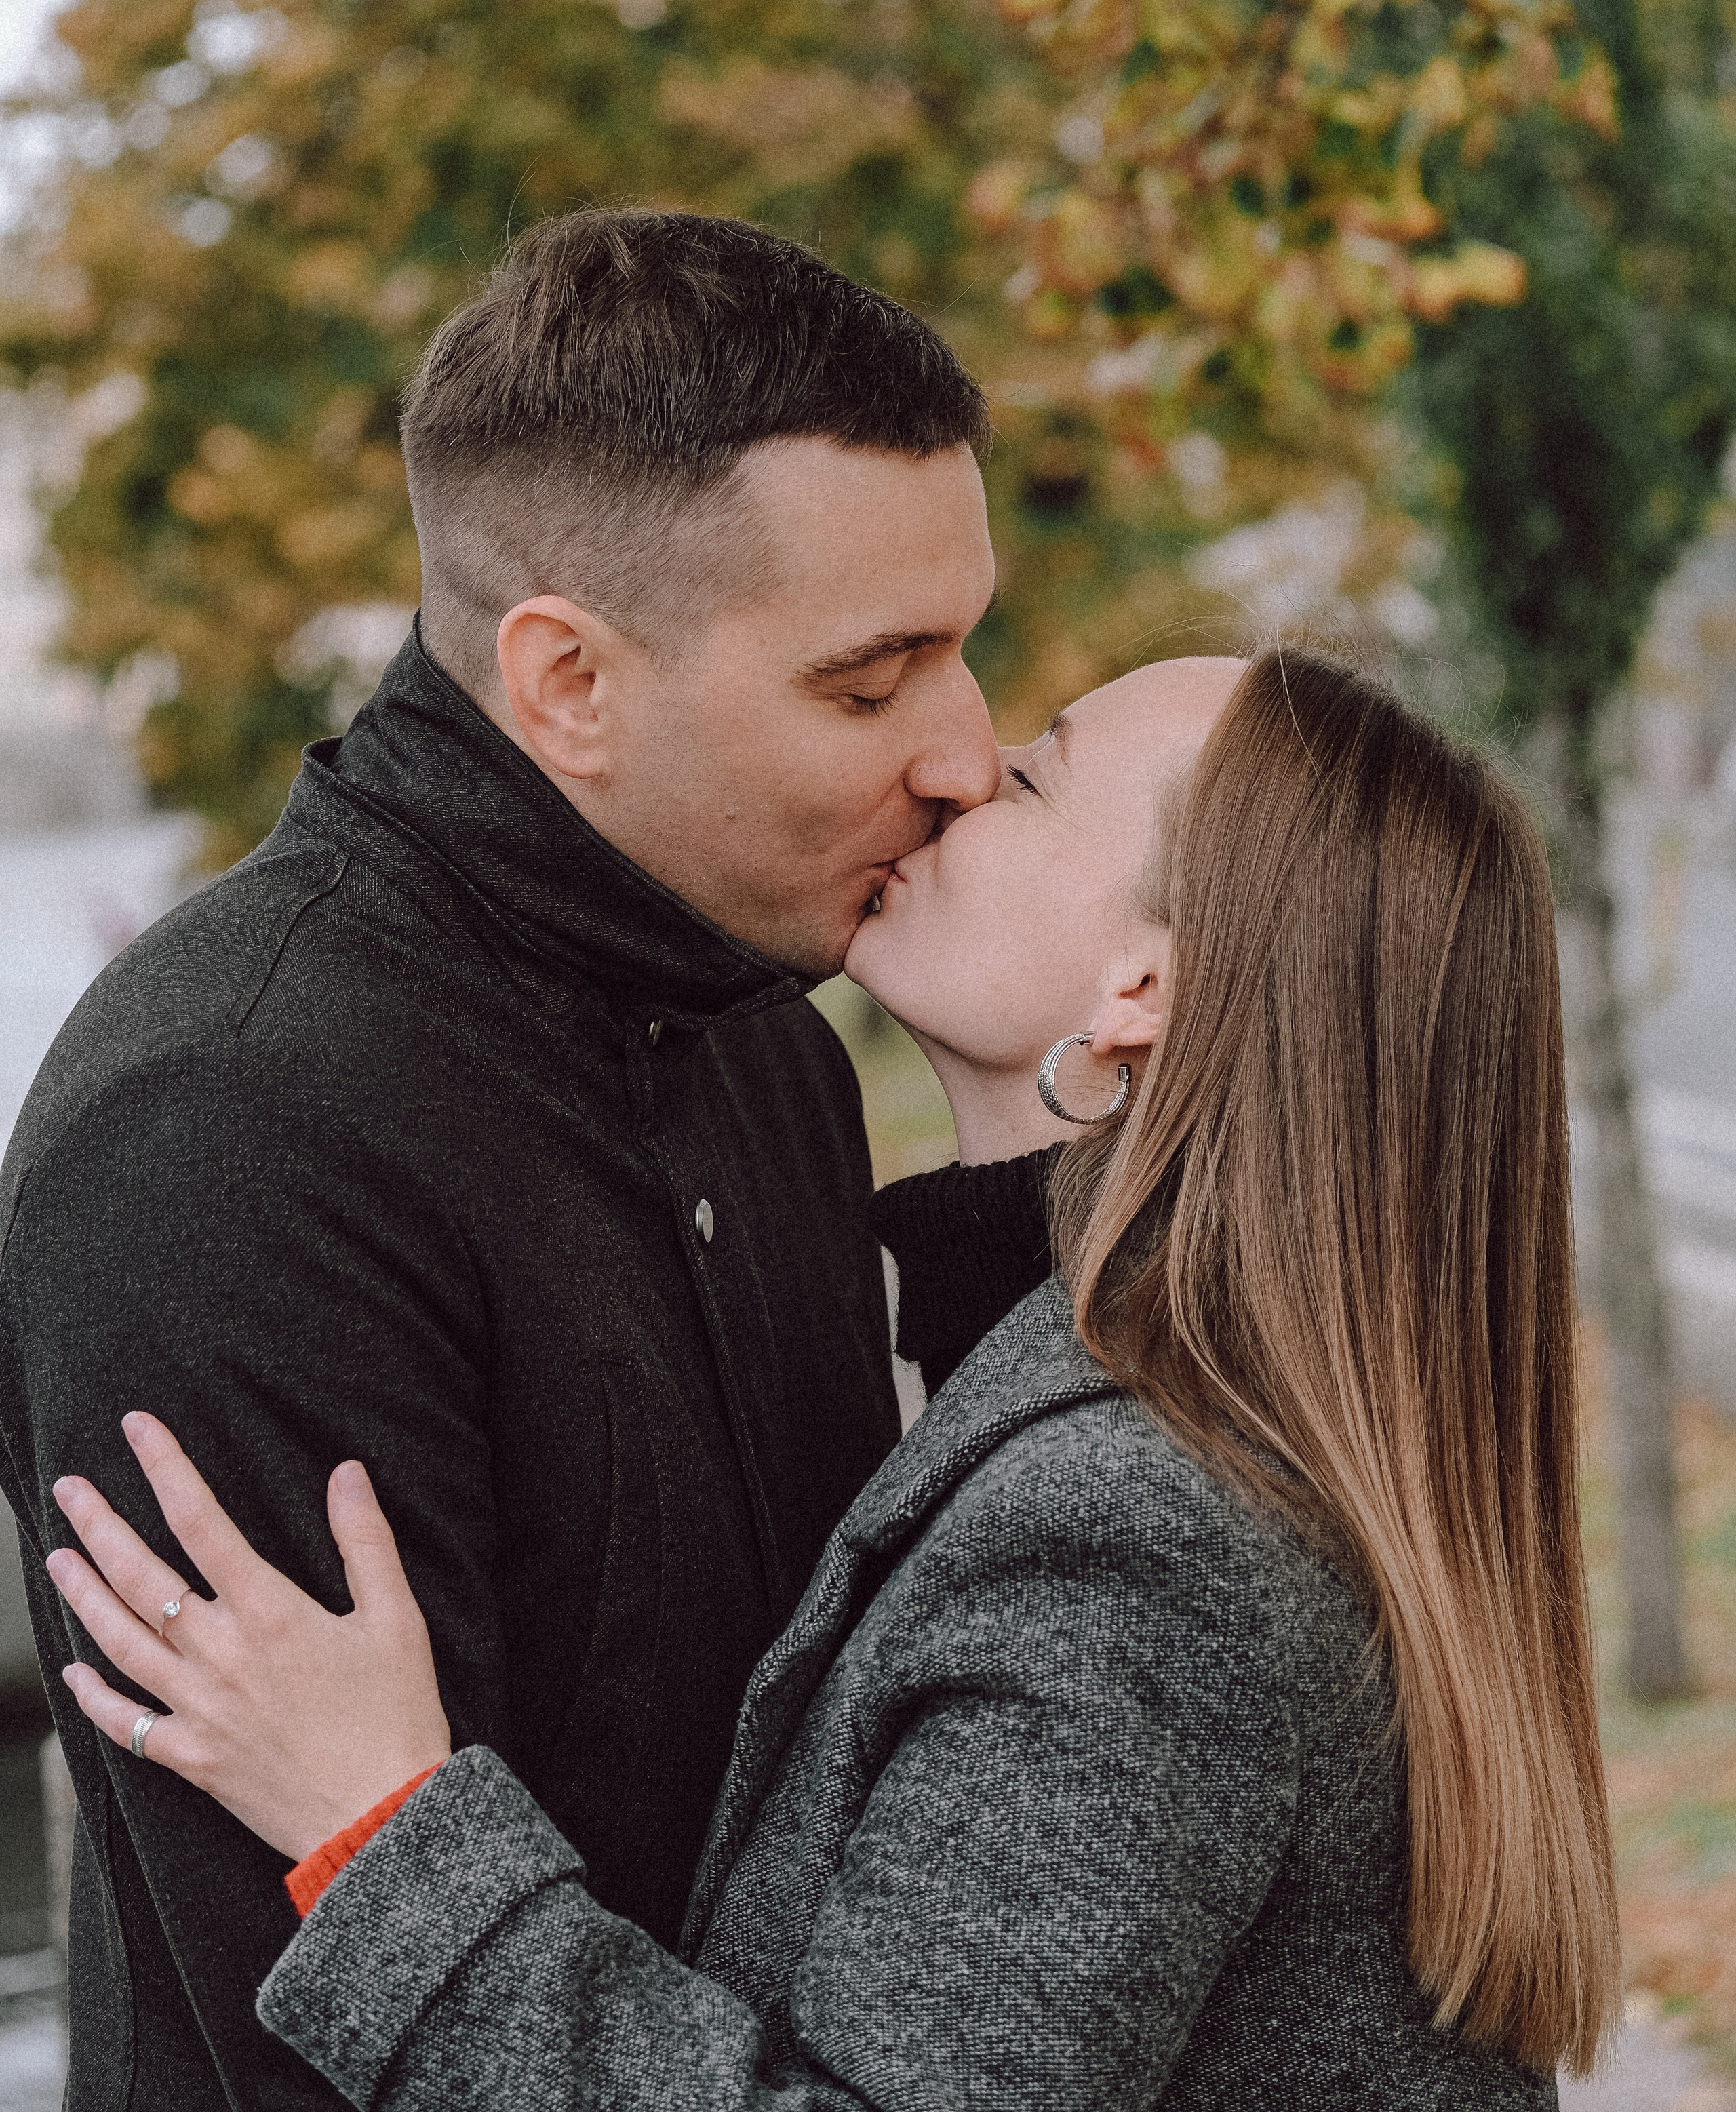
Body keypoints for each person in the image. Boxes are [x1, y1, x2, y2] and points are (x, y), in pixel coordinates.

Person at [47, 650, 1622, 2107]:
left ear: (1141, 991)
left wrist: (381, 1834)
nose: (959, 767)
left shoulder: (1135, 1547)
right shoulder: (1148, 1432)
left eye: (1031, 779)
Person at [0, 210, 1054, 2110]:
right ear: (566, 680)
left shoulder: (771, 1039)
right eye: (869, 680)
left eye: (959, 652)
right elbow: (300, 2036)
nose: (964, 755)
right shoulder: (230, 1134)